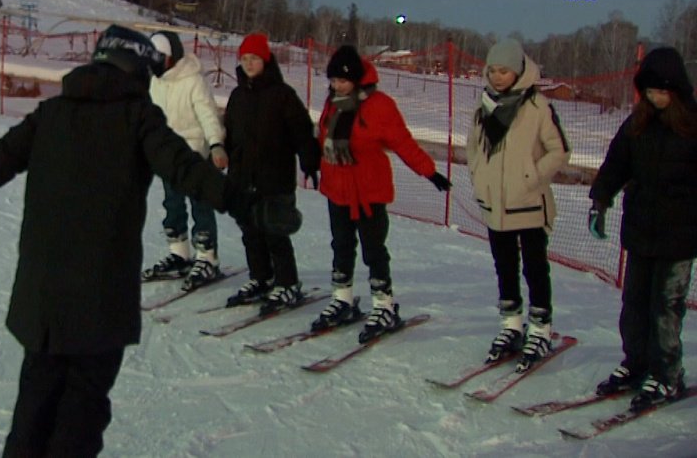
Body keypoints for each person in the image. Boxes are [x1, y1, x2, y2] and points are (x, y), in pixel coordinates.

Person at [0, 25, 270, 457]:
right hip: (100, 299)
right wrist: (248, 206)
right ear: (138, 72)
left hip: (43, 298)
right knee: (80, 419)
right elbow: (186, 169)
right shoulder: (138, 117)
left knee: (33, 410)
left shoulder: (51, 114)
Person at [311, 45, 452, 341]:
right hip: (337, 189)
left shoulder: (379, 105)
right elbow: (323, 138)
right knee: (341, 245)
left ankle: (384, 305)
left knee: (374, 250)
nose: (337, 85)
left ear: (358, 79)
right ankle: (342, 298)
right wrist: (313, 163)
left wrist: (429, 171)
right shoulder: (332, 103)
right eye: (334, 80)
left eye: (343, 80)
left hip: (368, 191)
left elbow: (402, 142)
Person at [588, 46, 696, 410]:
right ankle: (636, 363)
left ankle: (667, 375)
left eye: (663, 90)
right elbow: (616, 164)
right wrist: (600, 200)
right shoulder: (637, 124)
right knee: (634, 304)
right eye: (650, 91)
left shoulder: (693, 125)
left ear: (677, 89)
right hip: (640, 231)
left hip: (680, 237)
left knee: (665, 307)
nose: (656, 97)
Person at [467, 38, 571, 371]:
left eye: (505, 71)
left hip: (527, 205)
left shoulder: (538, 107)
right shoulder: (484, 106)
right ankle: (511, 325)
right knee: (505, 266)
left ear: (519, 71)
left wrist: (531, 179)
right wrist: (478, 175)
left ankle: (540, 328)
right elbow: (473, 147)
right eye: (493, 70)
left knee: (535, 268)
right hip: (495, 206)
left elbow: (560, 150)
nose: (498, 77)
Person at [223, 32, 321, 315]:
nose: (249, 63)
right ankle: (261, 277)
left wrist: (309, 160)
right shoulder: (237, 95)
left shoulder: (282, 95)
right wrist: (222, 156)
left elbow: (302, 132)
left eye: (254, 58)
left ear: (265, 60)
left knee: (275, 231)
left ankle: (288, 282)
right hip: (243, 176)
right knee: (250, 231)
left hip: (274, 176)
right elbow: (230, 133)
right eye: (245, 59)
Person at [142, 30, 230, 291]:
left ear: (172, 56)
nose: (156, 61)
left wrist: (216, 144)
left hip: (195, 155)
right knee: (172, 203)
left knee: (200, 205)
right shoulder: (155, 81)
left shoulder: (193, 80)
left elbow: (207, 114)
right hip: (166, 155)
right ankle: (180, 252)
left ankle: (207, 256)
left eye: (160, 56)